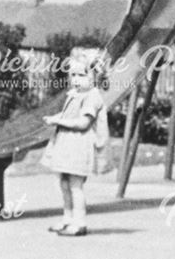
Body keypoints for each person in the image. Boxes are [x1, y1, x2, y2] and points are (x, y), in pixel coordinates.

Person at [41, 53, 108, 237]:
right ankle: (67, 218)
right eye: (74, 75)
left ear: (94, 77)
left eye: (82, 75)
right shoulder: (75, 94)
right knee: (64, 183)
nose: (76, 80)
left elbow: (83, 123)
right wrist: (57, 118)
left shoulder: (92, 97)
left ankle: (80, 222)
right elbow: (70, 117)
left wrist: (59, 122)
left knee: (75, 186)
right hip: (67, 146)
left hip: (79, 146)